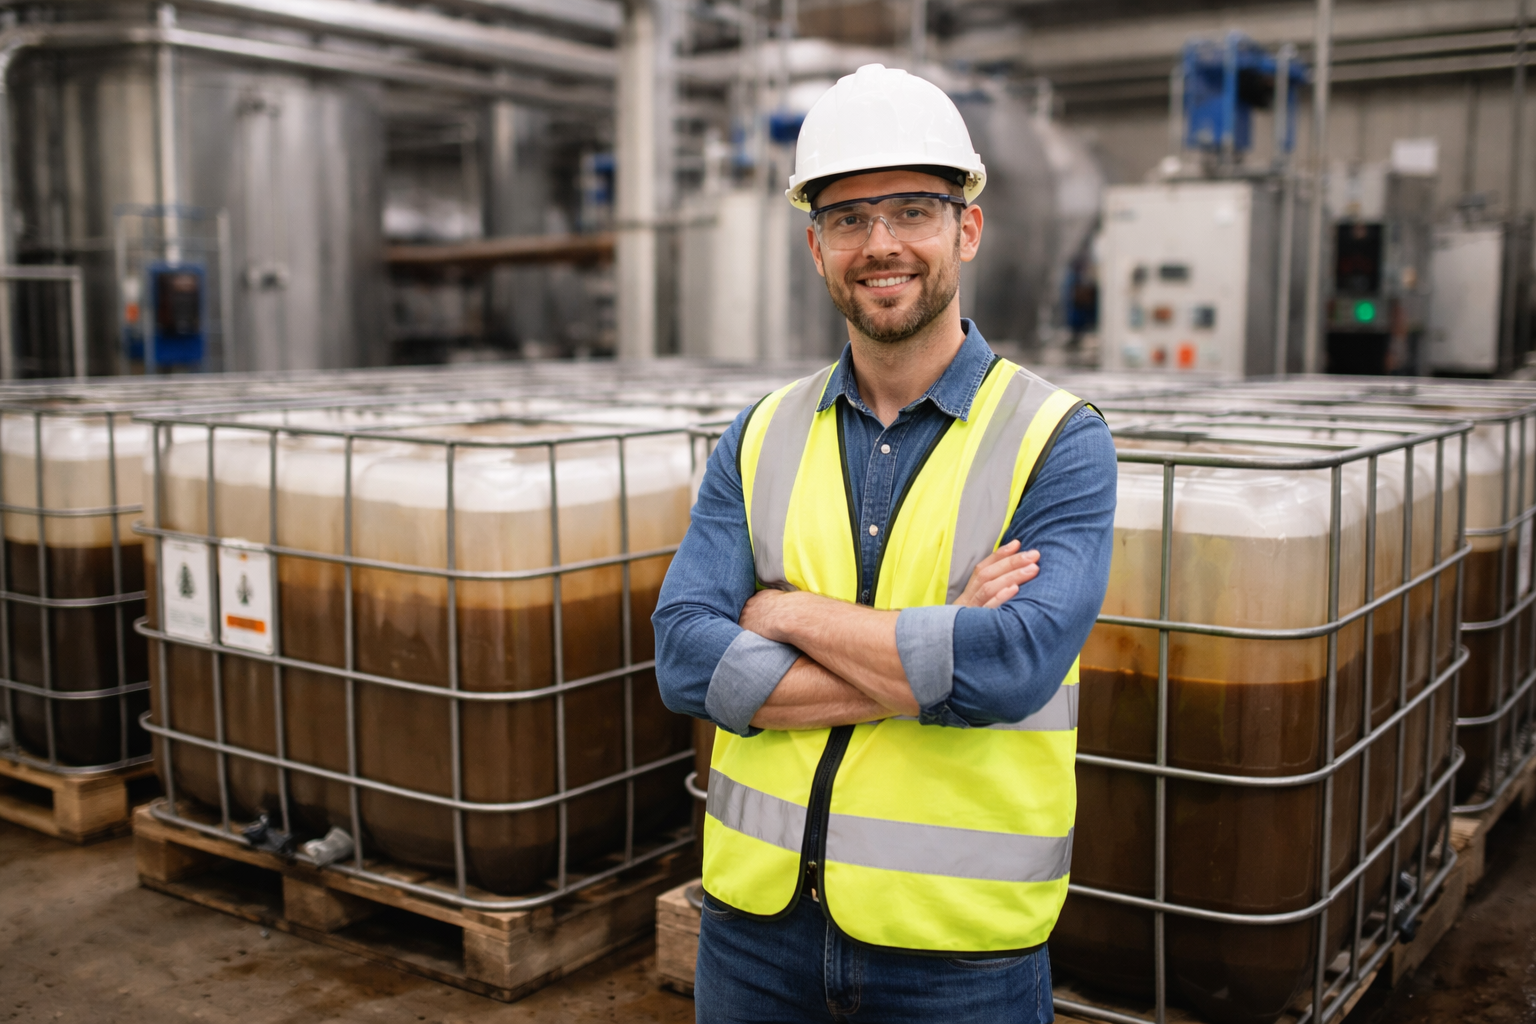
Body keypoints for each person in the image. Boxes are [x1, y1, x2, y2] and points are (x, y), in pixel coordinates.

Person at [653, 63, 1116, 1023]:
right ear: (816, 247)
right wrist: (931, 654)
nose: (882, 244)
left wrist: (784, 614)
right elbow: (684, 657)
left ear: (968, 228)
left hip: (956, 956)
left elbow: (1011, 666)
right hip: (753, 938)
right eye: (849, 218)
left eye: (912, 209)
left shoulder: (1058, 438)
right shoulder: (760, 434)